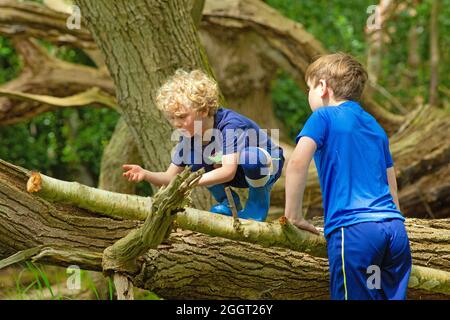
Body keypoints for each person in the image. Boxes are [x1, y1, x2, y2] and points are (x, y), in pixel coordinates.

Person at [284, 53, 411, 300]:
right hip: (393, 234)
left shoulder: (323, 116)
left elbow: (297, 162)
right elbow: (391, 187)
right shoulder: (374, 125)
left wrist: (293, 215)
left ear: (322, 87)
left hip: (355, 232)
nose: (307, 94)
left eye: (308, 88)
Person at [123, 69, 284, 222]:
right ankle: (228, 204)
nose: (176, 124)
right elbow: (171, 177)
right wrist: (145, 174)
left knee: (251, 158)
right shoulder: (190, 137)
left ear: (204, 110)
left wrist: (191, 182)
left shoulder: (231, 125)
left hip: (267, 163)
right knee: (194, 158)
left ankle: (256, 207)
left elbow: (228, 171)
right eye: (171, 118)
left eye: (182, 117)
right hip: (238, 170)